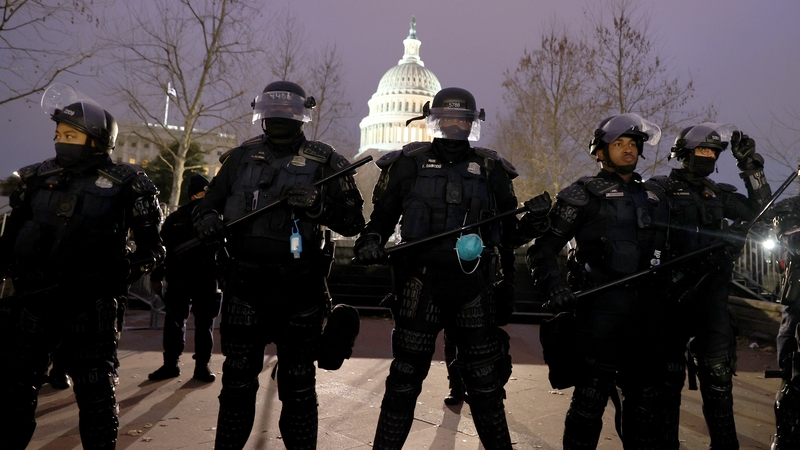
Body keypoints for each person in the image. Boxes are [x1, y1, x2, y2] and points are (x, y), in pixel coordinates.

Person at [353, 87, 552, 449]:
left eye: (462, 118)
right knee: (404, 380)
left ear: (472, 123)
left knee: (486, 385)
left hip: (472, 287)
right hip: (420, 285)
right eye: (447, 117)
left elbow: (508, 235)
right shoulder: (406, 164)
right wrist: (370, 242)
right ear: (434, 119)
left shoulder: (492, 169)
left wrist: (537, 220)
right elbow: (380, 219)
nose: (455, 125)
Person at [193, 80, 365, 450]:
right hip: (245, 285)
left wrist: (318, 205)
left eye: (288, 111)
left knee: (299, 385)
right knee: (237, 384)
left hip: (299, 288)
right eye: (273, 110)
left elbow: (354, 221)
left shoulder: (327, 160)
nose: (279, 117)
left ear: (301, 114)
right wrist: (206, 219)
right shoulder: (240, 158)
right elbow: (209, 201)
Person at [0, 92, 165, 450]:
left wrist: (132, 266)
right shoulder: (34, 178)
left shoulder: (129, 183)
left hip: (91, 308)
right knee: (14, 392)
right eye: (59, 135)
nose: (61, 141)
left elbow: (154, 247)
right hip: (34, 303)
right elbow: (8, 242)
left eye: (70, 136)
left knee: (95, 396)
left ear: (96, 139)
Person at [528, 113, 673, 449]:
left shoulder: (654, 197)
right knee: (590, 401)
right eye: (619, 144)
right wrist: (556, 287)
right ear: (600, 152)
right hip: (599, 312)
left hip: (646, 313)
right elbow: (543, 249)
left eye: (633, 144)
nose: (628, 150)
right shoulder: (582, 195)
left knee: (645, 403)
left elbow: (667, 249)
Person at [648, 123, 773, 449]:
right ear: (683, 153)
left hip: (712, 298)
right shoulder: (658, 189)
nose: (707, 156)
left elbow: (761, 213)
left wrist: (751, 168)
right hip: (669, 299)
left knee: (718, 382)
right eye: (701, 150)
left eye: (712, 152)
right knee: (667, 384)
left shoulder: (718, 194)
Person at [148, 174, 223, 383]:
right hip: (205, 279)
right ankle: (201, 368)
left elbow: (161, 251)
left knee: (175, 323)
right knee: (203, 325)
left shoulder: (175, 218)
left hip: (180, 278)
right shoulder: (216, 217)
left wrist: (156, 277)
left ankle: (171, 365)